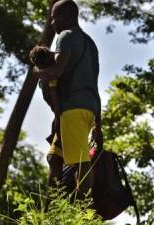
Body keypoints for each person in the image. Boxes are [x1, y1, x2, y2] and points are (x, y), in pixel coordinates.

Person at [34, 0, 101, 200]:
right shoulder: (90, 43)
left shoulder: (65, 36)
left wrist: (37, 71)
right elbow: (94, 84)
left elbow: (56, 71)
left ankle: (81, 213)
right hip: (88, 109)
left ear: (66, 16)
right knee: (55, 158)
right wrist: (98, 123)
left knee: (81, 162)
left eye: (54, 18)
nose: (52, 23)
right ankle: (51, 212)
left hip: (73, 110)